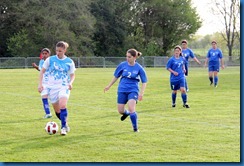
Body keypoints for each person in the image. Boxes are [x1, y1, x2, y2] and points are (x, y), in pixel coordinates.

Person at [104, 48, 147, 132]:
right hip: (122, 89)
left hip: (133, 90)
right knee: (120, 110)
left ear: (134, 57)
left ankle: (135, 128)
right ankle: (126, 113)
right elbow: (116, 76)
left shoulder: (139, 68)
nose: (127, 58)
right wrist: (109, 86)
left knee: (131, 109)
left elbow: (144, 81)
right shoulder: (122, 65)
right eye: (126, 56)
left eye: (129, 57)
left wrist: (141, 93)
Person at [38, 41, 76, 136]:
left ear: (65, 50)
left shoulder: (69, 62)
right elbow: (42, 71)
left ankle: (63, 128)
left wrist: (70, 83)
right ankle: (65, 123)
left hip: (64, 86)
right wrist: (40, 84)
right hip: (52, 87)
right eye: (56, 50)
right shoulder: (50, 60)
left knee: (63, 105)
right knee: (58, 111)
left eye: (60, 51)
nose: (58, 53)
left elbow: (72, 75)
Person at [32, 48, 52, 118]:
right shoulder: (41, 61)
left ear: (49, 54)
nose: (44, 55)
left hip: (52, 82)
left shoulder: (52, 61)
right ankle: (48, 113)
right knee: (44, 97)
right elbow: (41, 70)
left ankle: (60, 111)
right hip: (44, 83)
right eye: (43, 53)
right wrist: (36, 67)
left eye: (46, 53)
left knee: (55, 99)